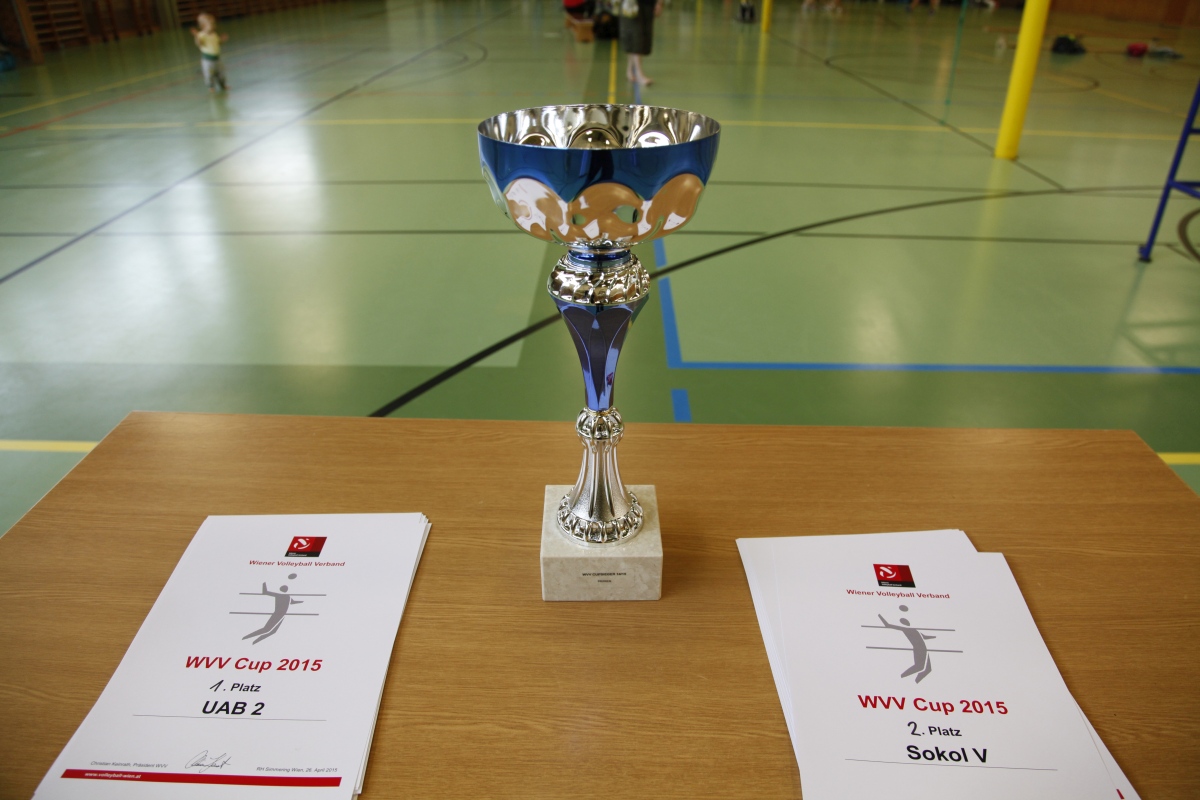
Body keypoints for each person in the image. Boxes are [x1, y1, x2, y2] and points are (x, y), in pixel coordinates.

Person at [620, 0, 662, 86]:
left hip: (648, 4)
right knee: (636, 35)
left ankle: (630, 70)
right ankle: (639, 73)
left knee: (643, 34)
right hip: (631, 3)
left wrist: (659, 3)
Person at [191, 13, 229, 92]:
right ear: (204, 25)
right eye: (211, 24)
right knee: (209, 74)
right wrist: (196, 36)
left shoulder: (214, 34)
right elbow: (199, 43)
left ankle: (223, 85)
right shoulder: (201, 35)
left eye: (213, 24)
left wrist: (222, 40)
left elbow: (217, 43)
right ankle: (211, 86)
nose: (213, 26)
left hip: (217, 58)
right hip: (207, 60)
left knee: (221, 73)